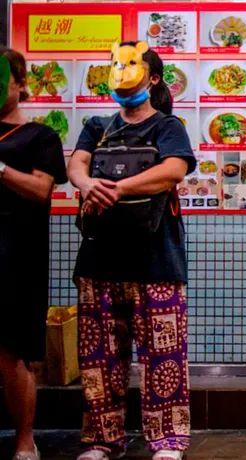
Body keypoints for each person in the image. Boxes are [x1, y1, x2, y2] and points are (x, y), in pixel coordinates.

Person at [67, 42, 194, 460]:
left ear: (152, 78)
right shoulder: (96, 125)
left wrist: (117, 188)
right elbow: (76, 164)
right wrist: (87, 185)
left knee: (164, 358)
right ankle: (102, 440)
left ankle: (167, 440)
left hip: (156, 261)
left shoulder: (167, 126)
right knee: (99, 361)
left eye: (132, 66)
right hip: (99, 259)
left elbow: (173, 169)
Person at [0, 47, 67, 460]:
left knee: (14, 353)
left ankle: (26, 440)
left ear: (21, 84)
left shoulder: (40, 137)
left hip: (16, 258)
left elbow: (43, 190)